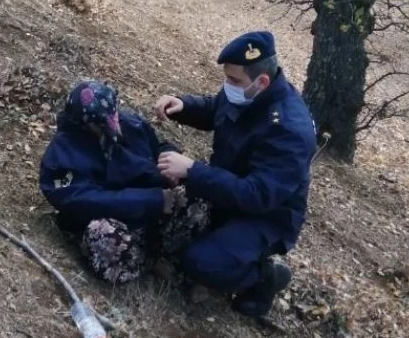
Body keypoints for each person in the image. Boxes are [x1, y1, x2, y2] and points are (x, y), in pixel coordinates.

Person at [154, 31, 316, 316]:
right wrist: (184, 106)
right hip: (228, 193)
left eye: (233, 80)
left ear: (262, 81)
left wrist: (193, 171)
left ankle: (264, 278)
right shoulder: (247, 93)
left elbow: (257, 195)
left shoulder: (290, 129)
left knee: (202, 263)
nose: (227, 85)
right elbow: (217, 108)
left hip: (265, 217)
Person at [39, 81, 209, 284]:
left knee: (201, 190)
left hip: (156, 208)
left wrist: (167, 161)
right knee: (102, 234)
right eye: (102, 123)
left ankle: (172, 257)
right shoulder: (62, 158)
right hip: (117, 220)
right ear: (84, 123)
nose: (114, 125)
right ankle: (147, 263)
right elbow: (87, 201)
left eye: (114, 115)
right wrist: (154, 200)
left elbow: (158, 145)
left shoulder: (130, 123)